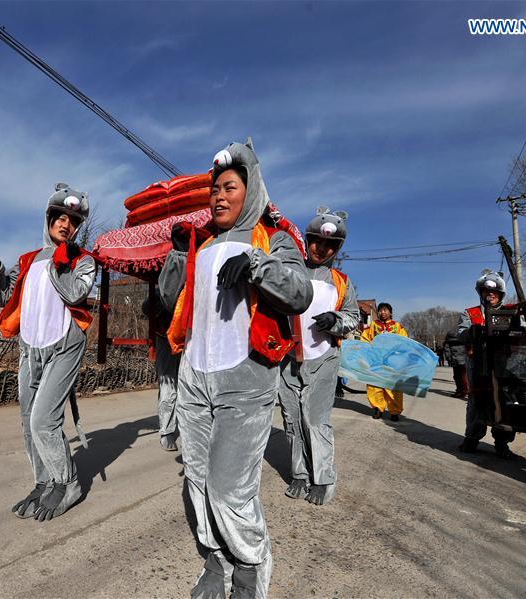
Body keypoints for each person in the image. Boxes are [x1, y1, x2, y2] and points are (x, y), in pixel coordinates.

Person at [159, 139, 312, 598]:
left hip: (244, 380)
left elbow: (299, 294)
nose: (219, 196)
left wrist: (257, 265)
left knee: (230, 489)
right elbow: (172, 302)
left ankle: (249, 564)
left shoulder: (274, 239)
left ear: (252, 191)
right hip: (194, 380)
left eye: (230, 187)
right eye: (215, 190)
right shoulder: (202, 245)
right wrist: (178, 255)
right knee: (199, 481)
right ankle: (216, 559)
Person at [0, 183, 96, 521]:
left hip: (64, 346)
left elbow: (76, 295)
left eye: (73, 220)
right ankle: (45, 481)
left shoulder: (84, 261)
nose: (65, 224)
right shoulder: (27, 260)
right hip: (30, 349)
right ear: (49, 218)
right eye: (60, 217)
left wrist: (61, 264)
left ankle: (67, 484)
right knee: (28, 421)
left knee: (44, 420)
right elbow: (4, 298)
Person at [278, 207, 360, 505]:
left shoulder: (341, 281)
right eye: (317, 242)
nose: (321, 249)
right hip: (287, 358)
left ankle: (323, 477)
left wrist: (335, 321)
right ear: (308, 239)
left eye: (330, 246)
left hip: (324, 358)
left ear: (336, 249)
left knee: (315, 419)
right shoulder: (288, 270)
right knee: (292, 418)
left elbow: (354, 316)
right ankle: (299, 473)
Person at [456, 270, 516, 459]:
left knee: (503, 402)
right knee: (476, 402)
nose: (490, 294)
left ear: (500, 294)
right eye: (486, 291)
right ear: (480, 293)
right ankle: (472, 438)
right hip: (477, 365)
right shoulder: (470, 313)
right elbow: (460, 334)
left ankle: (502, 443)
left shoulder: (511, 311)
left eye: (494, 292)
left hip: (504, 366)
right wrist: (472, 333)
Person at [143, 290, 181, 451]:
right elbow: (146, 307)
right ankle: (167, 431)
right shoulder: (160, 291)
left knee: (190, 388)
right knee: (169, 388)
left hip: (189, 338)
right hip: (166, 339)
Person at [361, 303, 408, 421]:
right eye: (381, 310)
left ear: (390, 312)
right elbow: (365, 339)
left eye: (385, 310)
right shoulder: (372, 325)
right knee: (374, 385)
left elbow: (404, 342)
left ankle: (394, 412)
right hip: (375, 361)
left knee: (394, 388)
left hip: (392, 362)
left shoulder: (398, 327)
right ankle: (378, 409)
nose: (383, 312)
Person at [444, 328, 468, 398]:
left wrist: (449, 360)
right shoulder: (463, 340)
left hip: (455, 361)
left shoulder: (448, 342)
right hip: (464, 360)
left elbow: (447, 352)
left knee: (457, 377)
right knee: (464, 376)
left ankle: (460, 391)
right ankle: (466, 390)